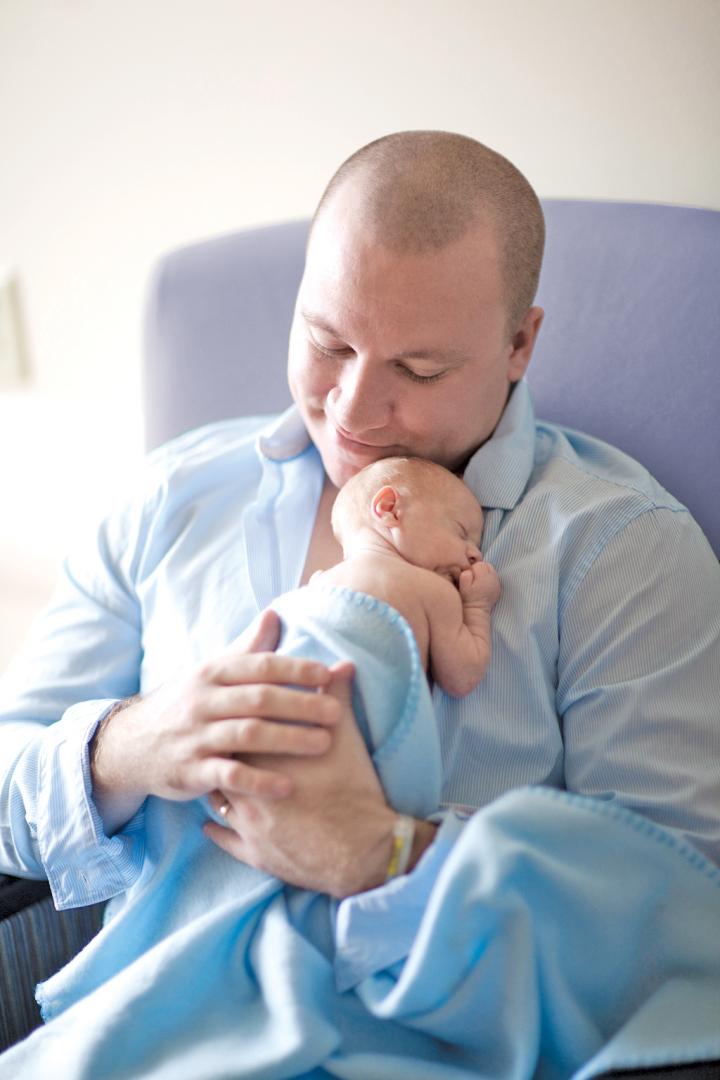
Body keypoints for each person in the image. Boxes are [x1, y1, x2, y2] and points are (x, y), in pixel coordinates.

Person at [1, 130, 719, 1077]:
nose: (351, 409)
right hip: (138, 1036)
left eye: (418, 372)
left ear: (518, 344)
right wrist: (131, 742)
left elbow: (687, 915)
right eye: (327, 341)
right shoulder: (166, 502)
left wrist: (386, 856)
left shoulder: (618, 547)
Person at [310, 454, 501, 697]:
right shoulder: (432, 591)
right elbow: (462, 678)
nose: (476, 554)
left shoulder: (317, 584)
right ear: (390, 509)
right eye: (461, 531)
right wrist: (477, 607)